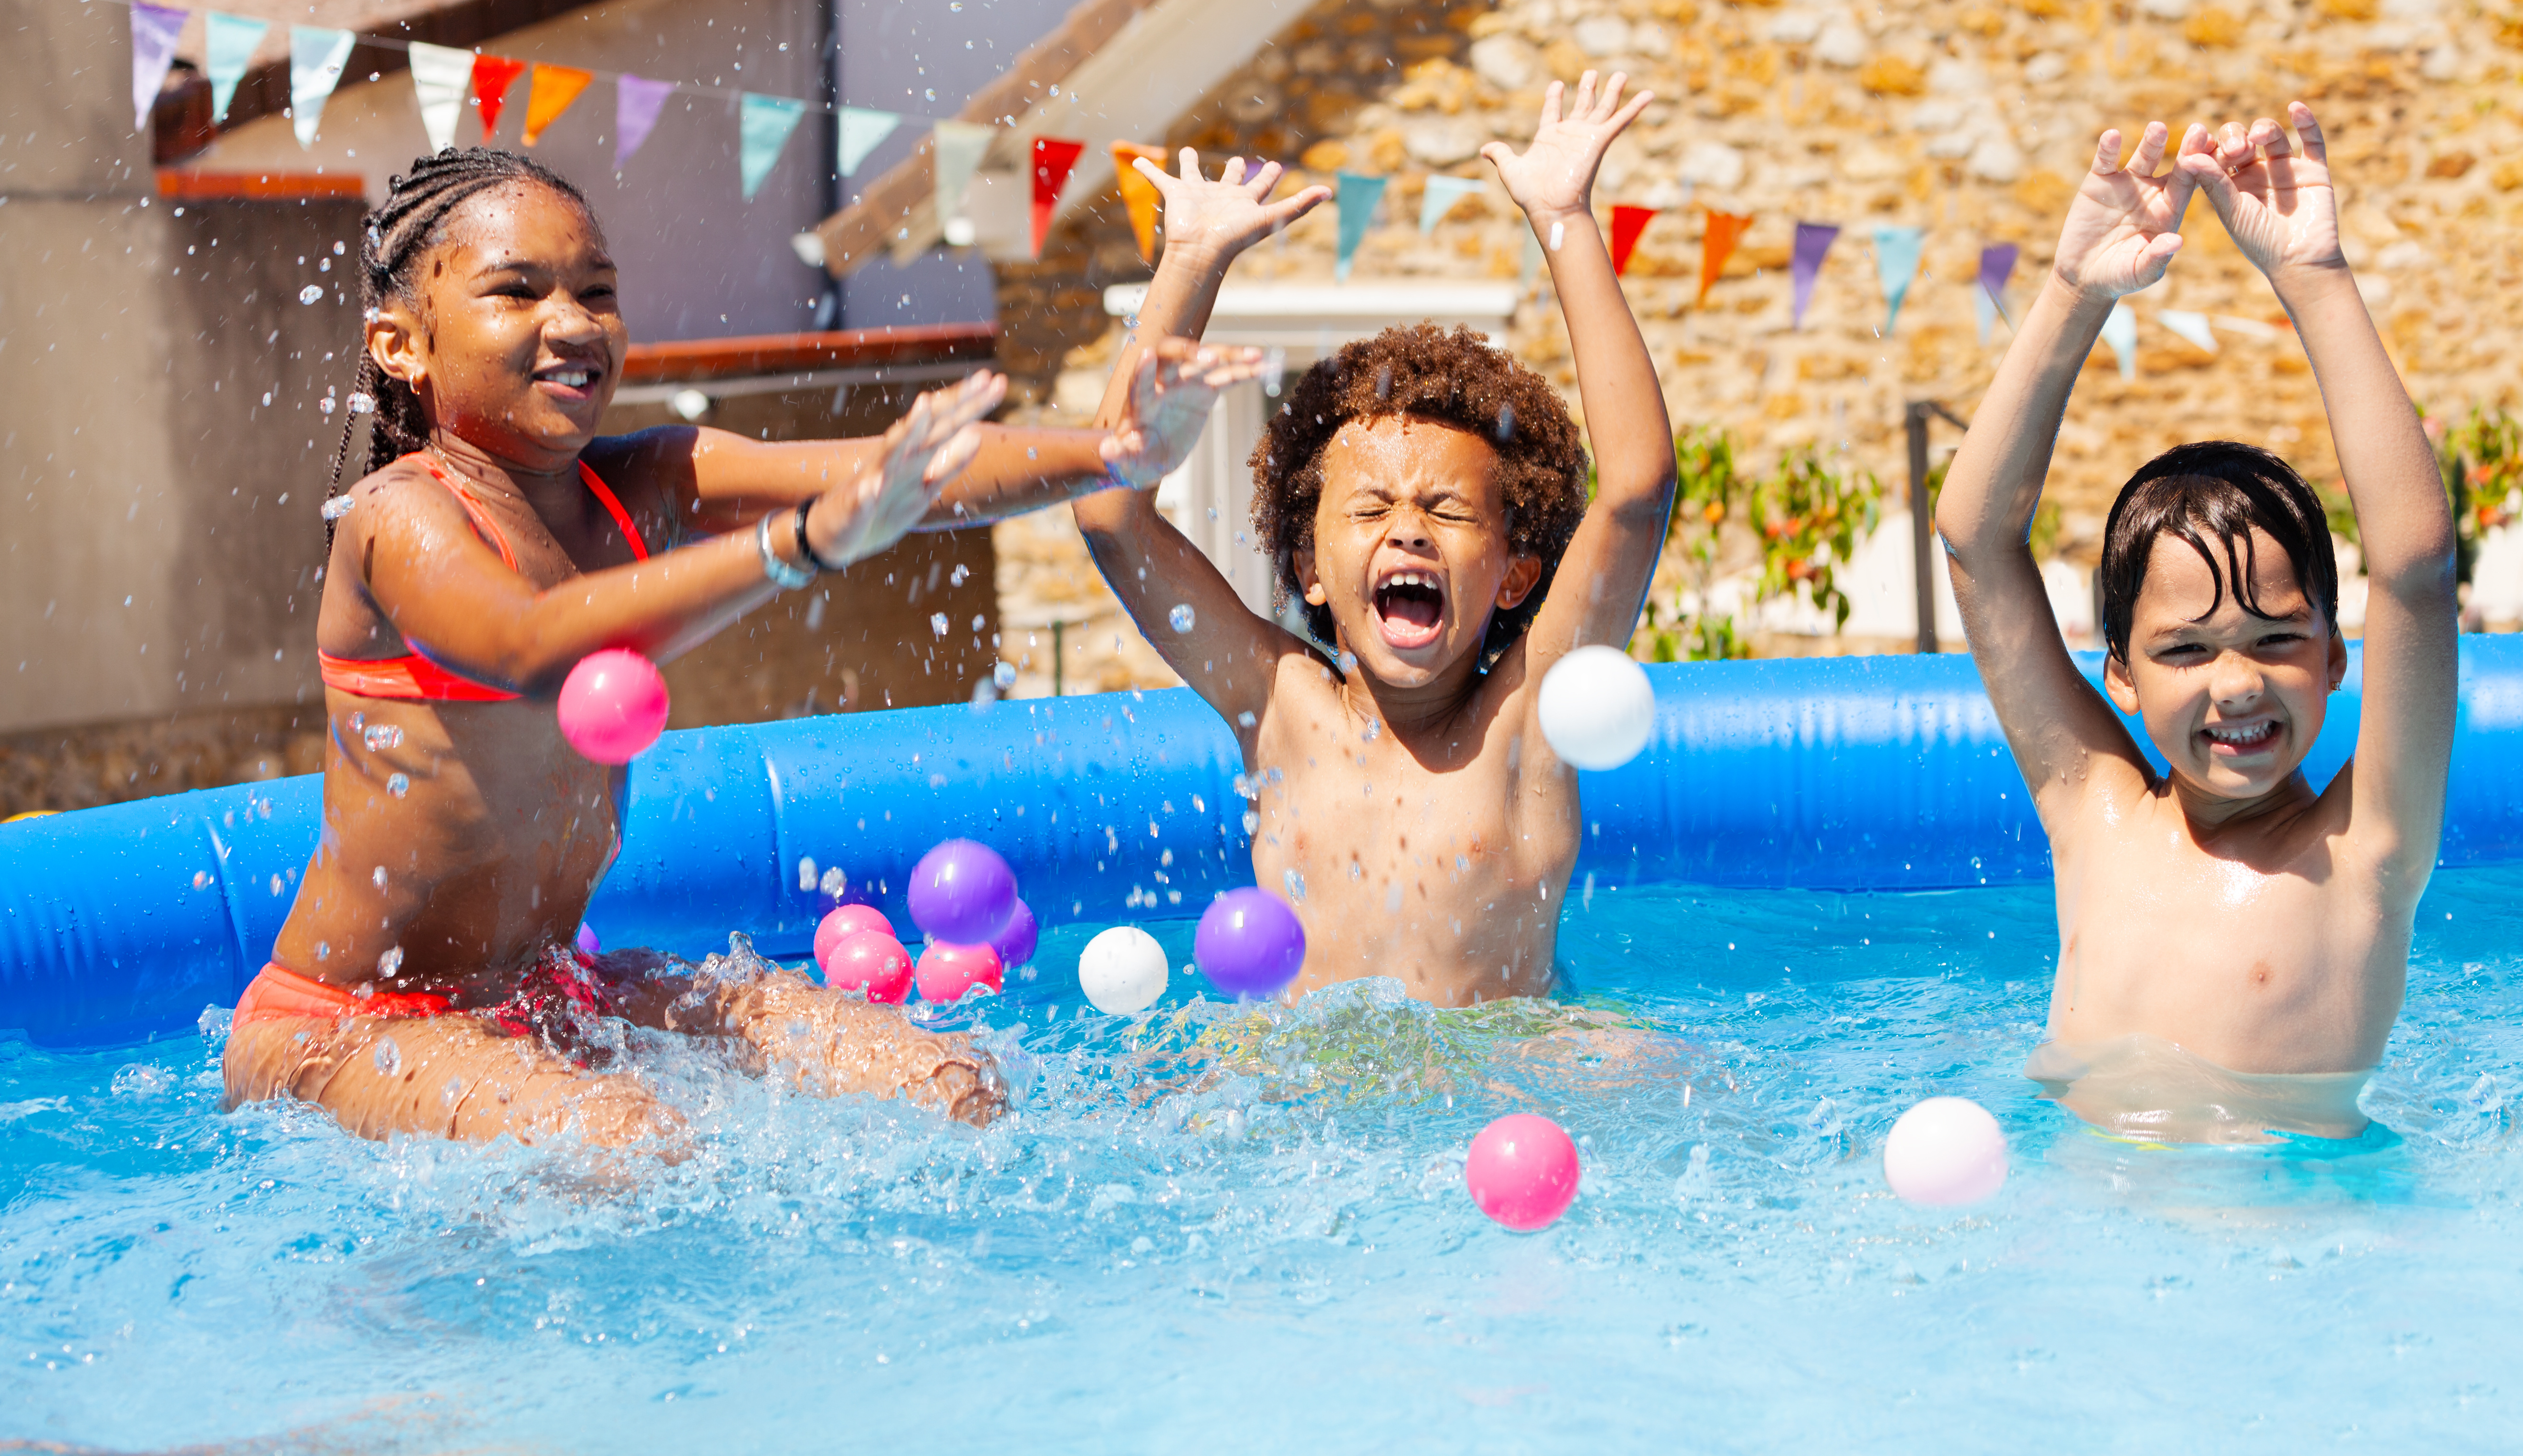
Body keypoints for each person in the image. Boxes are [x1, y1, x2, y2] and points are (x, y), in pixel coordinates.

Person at [224, 146, 1256, 1145]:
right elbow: (532, 644)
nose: (573, 323)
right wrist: (802, 543)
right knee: (629, 1143)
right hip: (352, 1023)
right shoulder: (397, 515)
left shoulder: (645, 482)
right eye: (517, 291)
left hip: (550, 989)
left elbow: (909, 473)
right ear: (401, 344)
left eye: (597, 290)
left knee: (949, 1084)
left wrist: (1108, 452)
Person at [1073, 73, 1679, 1007]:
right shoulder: (1279, 706)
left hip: (1504, 1095)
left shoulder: (1526, 726)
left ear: (1516, 575)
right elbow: (1109, 511)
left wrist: (1565, 220)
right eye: (1369, 511)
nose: (1407, 529)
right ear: (1309, 569)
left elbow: (1636, 491)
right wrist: (1189, 262)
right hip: (1304, 1112)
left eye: (1447, 510)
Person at [1933, 108, 2458, 1143]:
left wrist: (2317, 280)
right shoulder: (2095, 813)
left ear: (2335, 655)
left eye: (2274, 639)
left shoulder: (2362, 850)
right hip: (2090, 1256)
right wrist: (2074, 293)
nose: (2236, 683)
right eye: (2184, 648)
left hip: (2285, 1258)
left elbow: (2415, 567)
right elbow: (1973, 543)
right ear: (2116, 674)